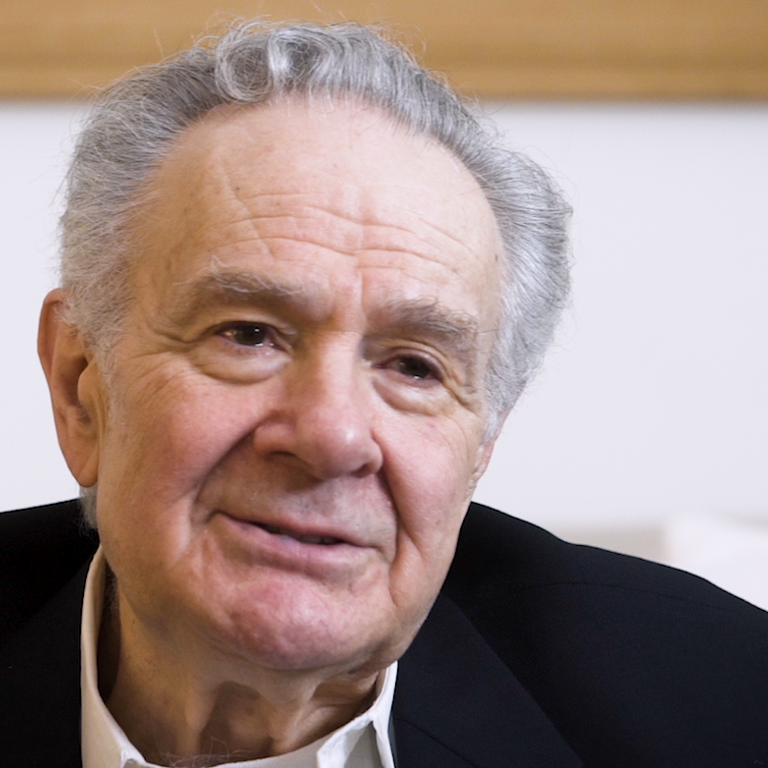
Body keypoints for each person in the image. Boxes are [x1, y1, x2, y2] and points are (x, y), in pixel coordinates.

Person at [1, 20, 766, 768]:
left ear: (482, 446)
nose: (332, 436)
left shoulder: (723, 704)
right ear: (81, 387)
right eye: (248, 334)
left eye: (414, 367)